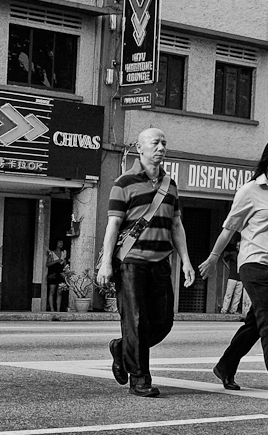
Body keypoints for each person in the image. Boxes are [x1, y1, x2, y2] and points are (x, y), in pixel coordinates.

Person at [199, 134, 268, 403]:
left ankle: (225, 365)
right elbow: (230, 228)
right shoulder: (250, 191)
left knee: (257, 322)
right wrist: (213, 258)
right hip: (255, 262)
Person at [96, 128, 196, 398]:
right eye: (155, 143)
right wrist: (106, 263)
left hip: (161, 262)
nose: (161, 147)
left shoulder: (170, 185)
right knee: (136, 321)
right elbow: (113, 226)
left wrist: (186, 261)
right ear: (140, 148)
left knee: (163, 322)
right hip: (131, 263)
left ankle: (121, 348)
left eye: (164, 142)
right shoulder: (123, 182)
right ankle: (140, 380)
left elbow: (176, 224)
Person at [219, 241, 243, 314]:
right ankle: (224, 309)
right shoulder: (233, 254)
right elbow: (224, 259)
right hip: (232, 276)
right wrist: (228, 267)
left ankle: (233, 310)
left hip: (240, 277)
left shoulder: (243, 255)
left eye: (239, 245)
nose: (237, 247)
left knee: (237, 295)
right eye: (237, 245)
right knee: (228, 294)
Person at [46, 239, 67, 312]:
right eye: (59, 242)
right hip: (53, 274)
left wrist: (66, 272)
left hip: (60, 274)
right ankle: (52, 309)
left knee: (59, 292)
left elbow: (65, 265)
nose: (61, 244)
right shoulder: (51, 253)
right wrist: (56, 261)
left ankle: (58, 309)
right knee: (52, 291)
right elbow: (47, 264)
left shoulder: (63, 253)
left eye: (62, 242)